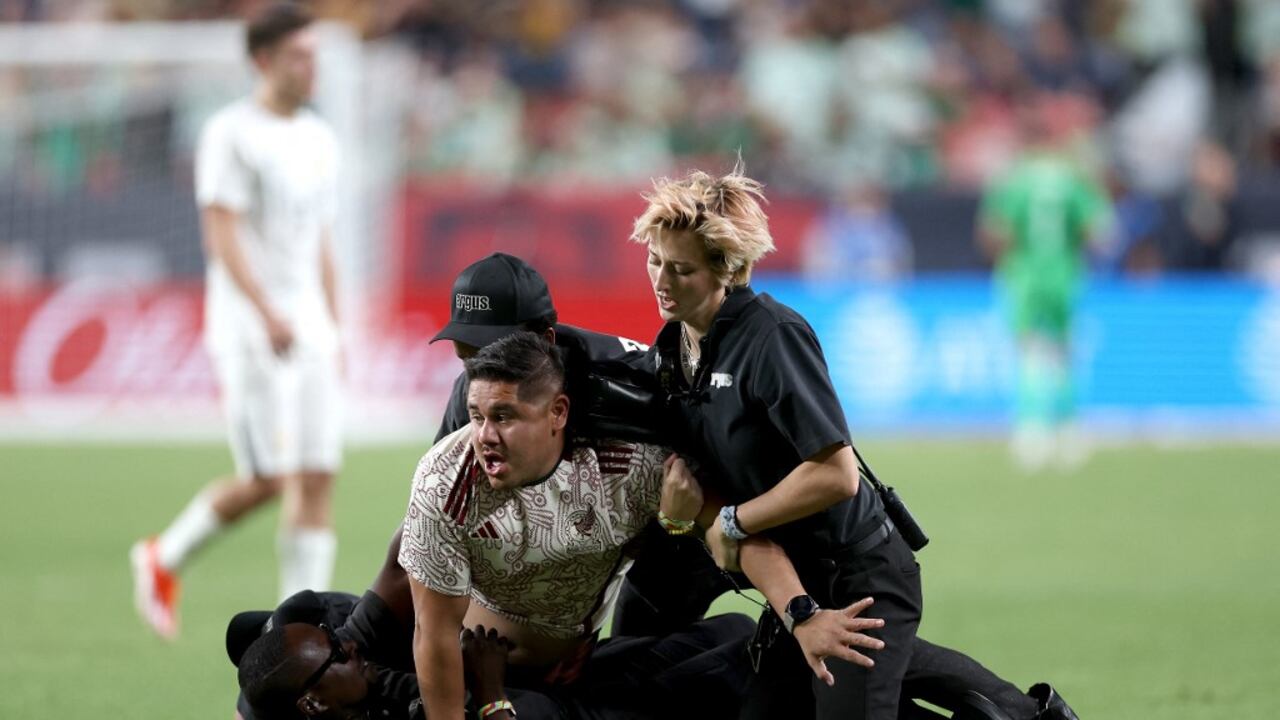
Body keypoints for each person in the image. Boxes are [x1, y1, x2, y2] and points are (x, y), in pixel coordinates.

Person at [631, 169, 1078, 720]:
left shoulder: (772, 337)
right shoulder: (673, 352)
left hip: (857, 573)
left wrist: (734, 522)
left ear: (726, 269)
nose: (661, 280)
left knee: (857, 687)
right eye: (655, 260)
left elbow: (835, 473)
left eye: (682, 269)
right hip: (796, 581)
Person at [398, 332, 883, 720]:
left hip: (584, 663)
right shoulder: (445, 485)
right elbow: (435, 633)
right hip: (494, 678)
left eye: (503, 417)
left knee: (738, 635)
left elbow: (733, 532)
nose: (484, 436)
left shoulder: (631, 465)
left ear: (557, 413)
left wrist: (801, 615)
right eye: (476, 416)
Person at [131, 1, 344, 639]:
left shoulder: (319, 137)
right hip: (253, 330)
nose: (312, 67)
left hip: (308, 328)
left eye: (315, 54)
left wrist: (333, 325)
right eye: (299, 55)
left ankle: (300, 630)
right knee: (268, 479)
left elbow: (321, 241)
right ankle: (162, 557)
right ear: (264, 60)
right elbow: (220, 235)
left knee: (317, 475)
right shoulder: (231, 133)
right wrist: (267, 311)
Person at [428, 252, 729, 636]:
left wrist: (676, 521)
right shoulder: (469, 394)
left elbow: (716, 480)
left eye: (497, 355)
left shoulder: (634, 387)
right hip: (567, 546)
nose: (481, 374)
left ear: (546, 341)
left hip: (683, 530)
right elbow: (439, 526)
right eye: (467, 356)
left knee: (638, 640)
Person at [977, 94, 1111, 472]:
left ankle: (1031, 432)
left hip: (1024, 274)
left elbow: (994, 232)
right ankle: (1068, 430)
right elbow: (1096, 229)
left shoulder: (1015, 177)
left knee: (1029, 353)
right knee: (1064, 352)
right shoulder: (1073, 177)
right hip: (1065, 273)